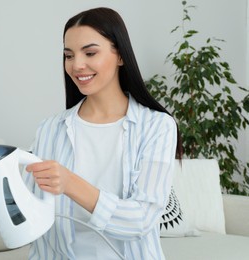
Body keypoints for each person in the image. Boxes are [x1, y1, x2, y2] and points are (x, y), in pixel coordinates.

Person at [21, 7, 183, 260]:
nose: (77, 65)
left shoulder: (157, 126)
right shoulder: (50, 128)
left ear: (120, 55)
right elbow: (29, 210)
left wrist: (69, 182)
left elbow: (141, 220)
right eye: (68, 55)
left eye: (90, 52)